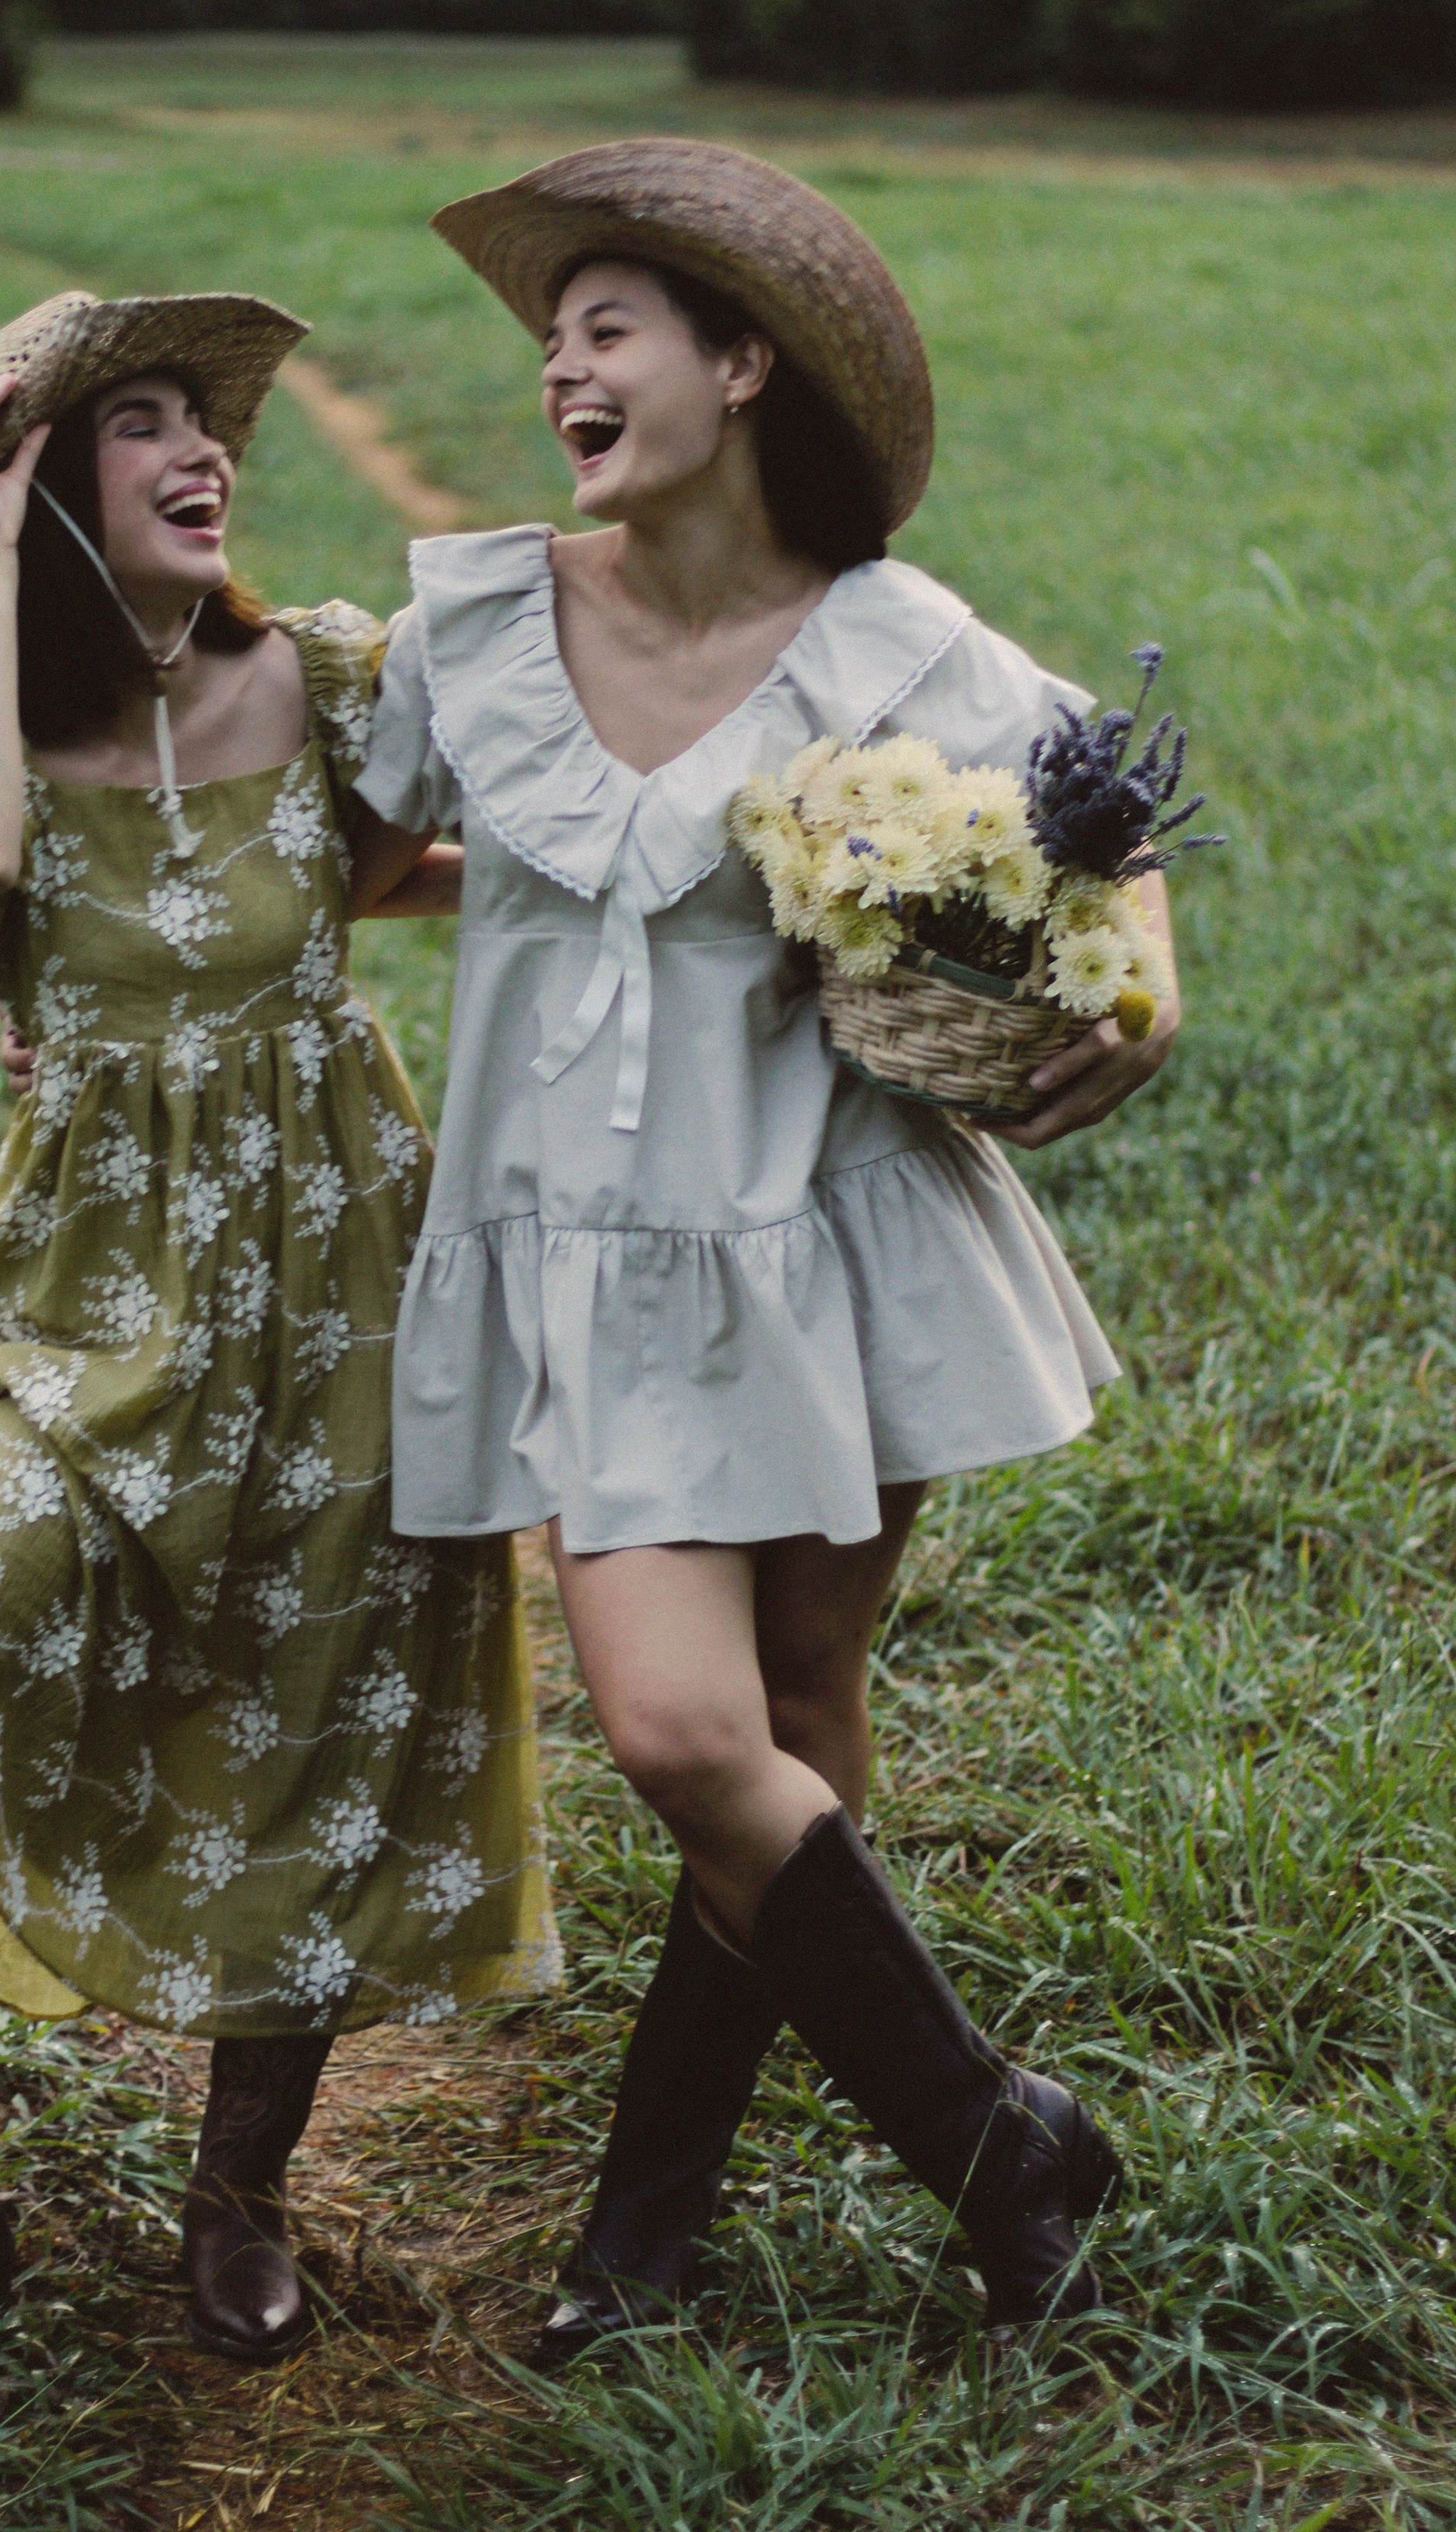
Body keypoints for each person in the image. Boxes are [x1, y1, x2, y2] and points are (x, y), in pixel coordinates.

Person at [348, 142, 1180, 2353]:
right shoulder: (474, 628)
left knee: (800, 1710)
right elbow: (340, 855)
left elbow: (1104, 804)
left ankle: (643, 2236)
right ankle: (1001, 2134)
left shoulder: (896, 644)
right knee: (679, 1728)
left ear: (740, 365)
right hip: (593, 1255)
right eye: (554, 337)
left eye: (609, 328)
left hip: (835, 1229)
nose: (562, 366)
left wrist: (1148, 983)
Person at [0, 289, 556, 2374]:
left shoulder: (319, 681)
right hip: (90, 1297)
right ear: (44, 489)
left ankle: (241, 2196)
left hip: (337, 1276)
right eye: (136, 424)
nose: (203, 448)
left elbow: (387, 872)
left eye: (204, 421)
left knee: (318, 1708)